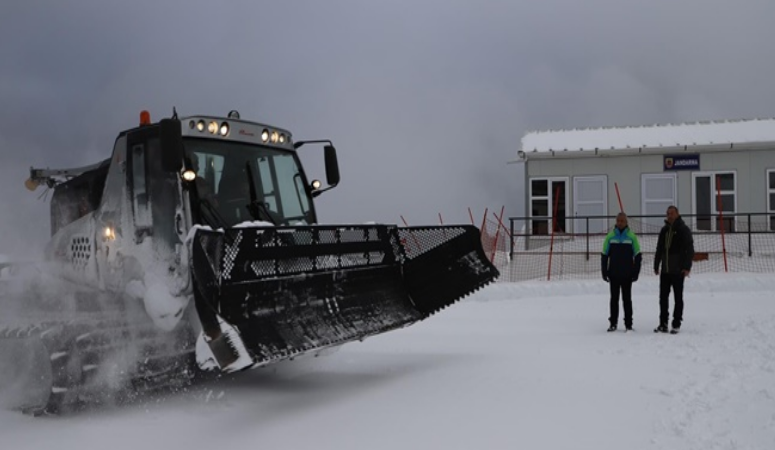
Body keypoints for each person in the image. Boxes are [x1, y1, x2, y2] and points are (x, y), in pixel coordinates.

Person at [653, 205, 694, 334]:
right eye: (667, 213)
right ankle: (663, 324)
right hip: (665, 271)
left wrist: (686, 267)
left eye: (672, 213)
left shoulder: (683, 230)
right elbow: (659, 249)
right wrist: (656, 264)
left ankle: (676, 324)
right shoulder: (664, 230)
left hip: (678, 271)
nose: (669, 215)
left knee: (678, 298)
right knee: (663, 298)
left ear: (677, 214)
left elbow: (690, 249)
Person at [601, 212, 642, 332]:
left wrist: (636, 272)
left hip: (627, 275)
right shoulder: (610, 237)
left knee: (627, 300)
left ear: (626, 222)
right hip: (613, 274)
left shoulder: (632, 237)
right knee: (614, 299)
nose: (619, 223)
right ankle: (613, 323)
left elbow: (638, 255)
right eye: (618, 221)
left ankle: (628, 324)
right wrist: (604, 271)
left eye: (622, 221)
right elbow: (604, 255)